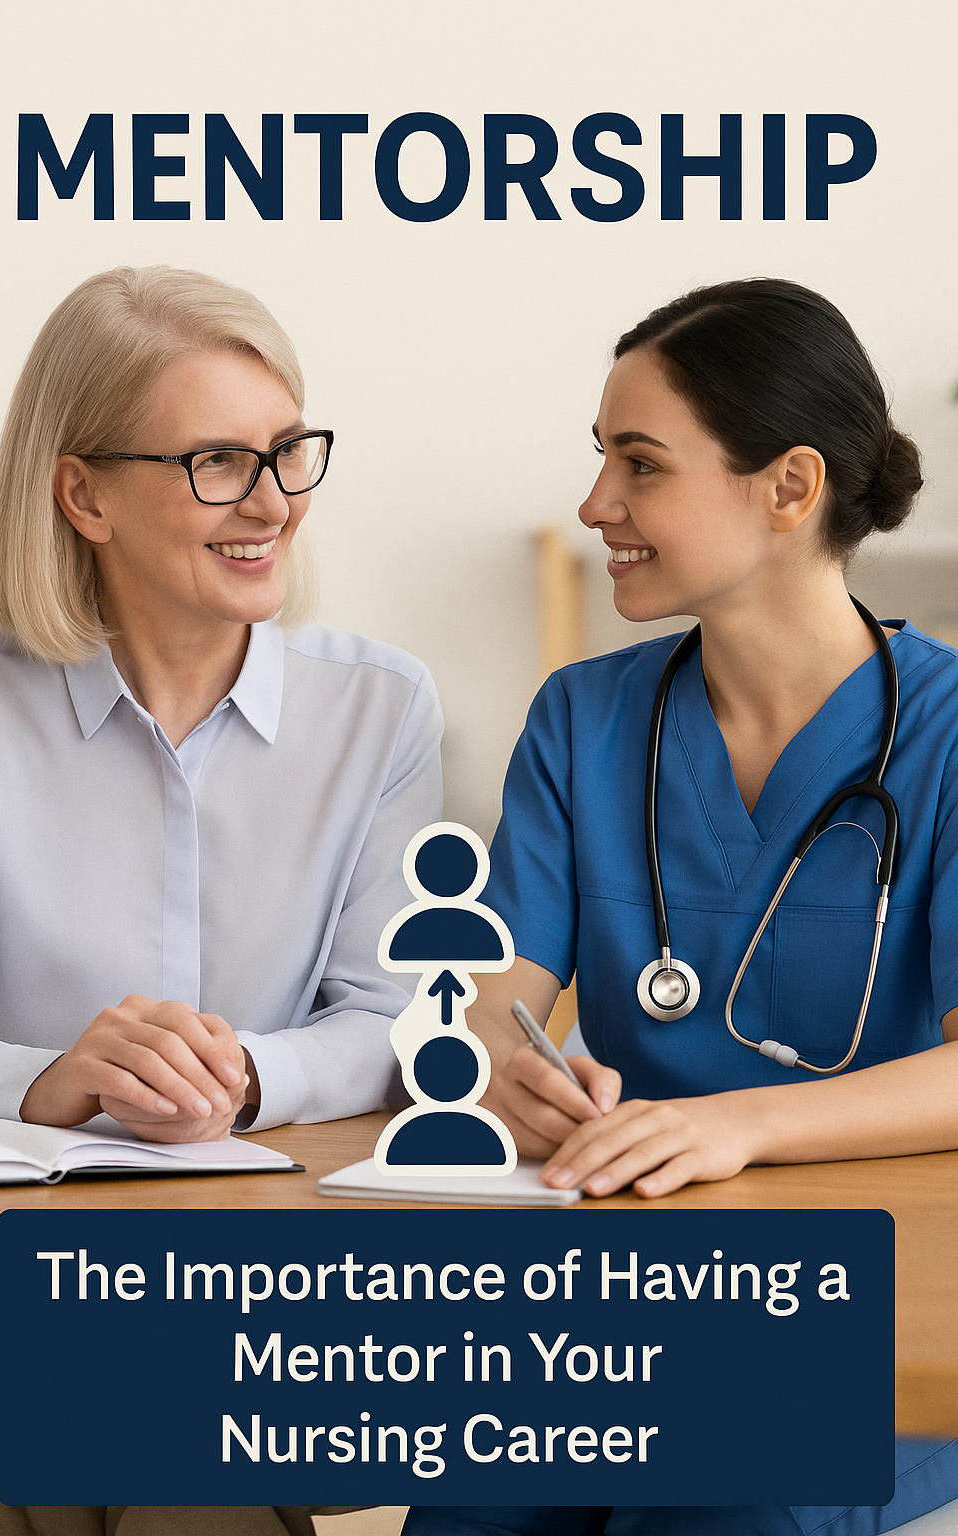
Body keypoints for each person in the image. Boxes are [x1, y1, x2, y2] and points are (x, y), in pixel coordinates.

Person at [406, 281, 958, 1534]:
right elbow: (491, 1005)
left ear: (789, 487)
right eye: (601, 460)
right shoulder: (582, 721)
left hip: (866, 1290)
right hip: (613, 1274)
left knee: (712, 1499)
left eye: (639, 465)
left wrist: (738, 1128)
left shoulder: (945, 733)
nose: (598, 504)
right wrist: (505, 1071)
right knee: (474, 1497)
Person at [0, 265, 442, 1536]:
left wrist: (244, 1076)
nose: (271, 502)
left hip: (252, 1294)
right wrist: (51, 1079)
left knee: (184, 1481)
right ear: (83, 493)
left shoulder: (378, 707)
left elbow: (397, 1014)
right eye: (219, 461)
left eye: (287, 453)